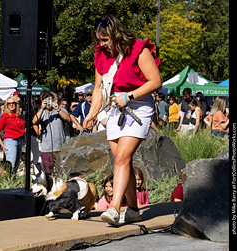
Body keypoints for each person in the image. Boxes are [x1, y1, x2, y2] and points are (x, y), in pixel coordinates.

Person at [83, 15, 161, 226]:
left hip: (138, 105)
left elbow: (155, 81)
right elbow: (99, 88)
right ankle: (134, 209)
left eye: (105, 39)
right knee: (121, 160)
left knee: (122, 158)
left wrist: (129, 96)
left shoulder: (139, 50)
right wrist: (91, 114)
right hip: (114, 107)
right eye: (99, 40)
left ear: (117, 34)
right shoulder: (101, 54)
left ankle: (115, 208)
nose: (102, 44)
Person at [32, 92, 70, 175]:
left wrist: (58, 109)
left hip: (60, 147)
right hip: (46, 148)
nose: (49, 103)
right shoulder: (42, 112)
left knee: (60, 172)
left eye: (50, 100)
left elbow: (68, 119)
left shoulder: (61, 110)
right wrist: (42, 108)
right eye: (46, 101)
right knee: (47, 172)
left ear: (54, 100)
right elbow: (34, 121)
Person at [0, 96, 25, 175]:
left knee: (17, 165)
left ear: (16, 104)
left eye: (13, 103)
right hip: (10, 140)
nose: (11, 105)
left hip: (19, 140)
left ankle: (13, 183)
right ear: (6, 105)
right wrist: (2, 144)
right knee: (11, 165)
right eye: (9, 103)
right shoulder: (6, 115)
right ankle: (9, 183)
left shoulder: (19, 116)